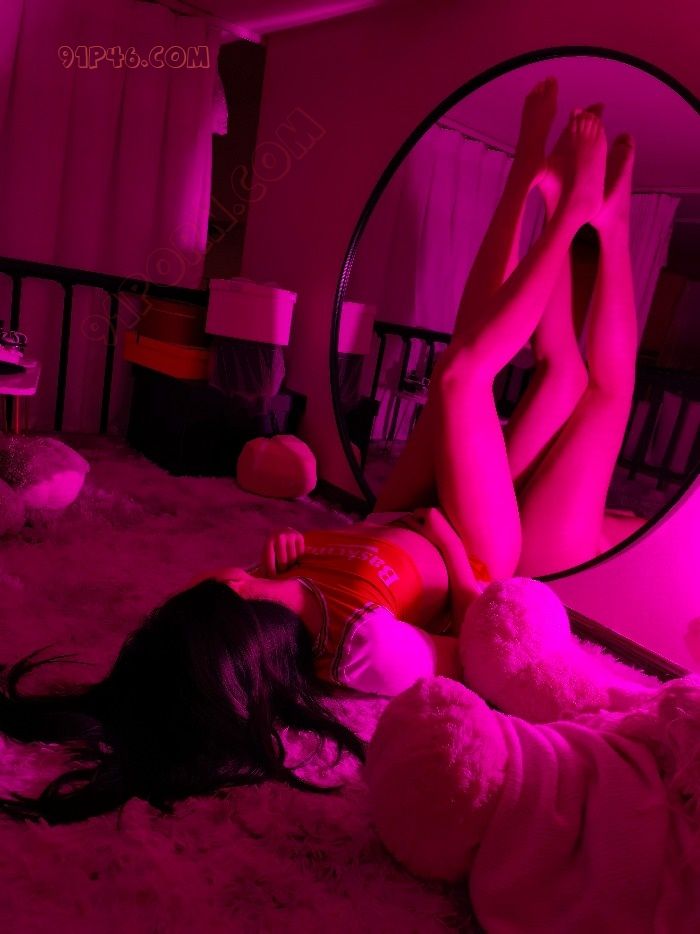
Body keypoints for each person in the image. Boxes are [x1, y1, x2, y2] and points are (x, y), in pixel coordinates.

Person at [0, 80, 640, 823]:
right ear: (234, 624)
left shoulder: (274, 581)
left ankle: (531, 182)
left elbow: (335, 564)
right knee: (471, 378)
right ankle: (576, 214)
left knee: (489, 374)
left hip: (398, 515)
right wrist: (449, 549)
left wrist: (308, 555)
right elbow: (470, 653)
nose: (210, 581)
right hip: (470, 545)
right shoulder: (363, 653)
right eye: (203, 597)